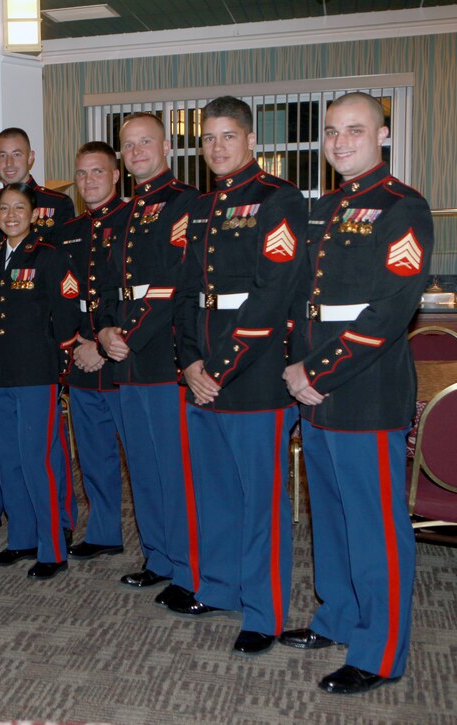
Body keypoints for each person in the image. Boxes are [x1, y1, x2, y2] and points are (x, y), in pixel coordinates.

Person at [279, 92, 433, 694]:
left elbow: (391, 310)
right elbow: (303, 299)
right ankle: (338, 617)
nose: (340, 142)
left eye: (355, 130)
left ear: (383, 135)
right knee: (334, 521)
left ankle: (380, 650)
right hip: (315, 395)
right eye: (332, 132)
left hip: (362, 394)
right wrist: (296, 366)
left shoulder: (404, 208)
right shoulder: (326, 208)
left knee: (376, 529)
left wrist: (315, 372)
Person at [174, 97, 305, 656]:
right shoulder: (200, 208)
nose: (218, 147)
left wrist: (219, 369)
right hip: (203, 376)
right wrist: (188, 363)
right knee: (216, 496)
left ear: (250, 140)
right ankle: (220, 588)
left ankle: (264, 611)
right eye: (208, 138)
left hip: (253, 379)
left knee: (261, 504)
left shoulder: (279, 199)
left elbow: (275, 295)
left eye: (228, 136)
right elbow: (184, 292)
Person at [96, 113, 200, 608]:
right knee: (141, 465)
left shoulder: (185, 204)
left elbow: (173, 280)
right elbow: (102, 288)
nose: (136, 152)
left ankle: (186, 565)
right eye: (128, 145)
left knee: (173, 468)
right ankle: (157, 556)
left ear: (165, 146)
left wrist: (128, 335)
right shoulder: (119, 215)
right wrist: (102, 329)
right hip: (125, 359)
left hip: (162, 357)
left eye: (145, 142)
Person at [0, 127, 78, 538]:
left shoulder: (57, 205)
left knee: (42, 452)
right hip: (0, 358)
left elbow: (64, 279)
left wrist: (63, 353)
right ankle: (19, 529)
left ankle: (57, 526)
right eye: (1, 155)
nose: (9, 162)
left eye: (17, 154)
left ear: (31, 157)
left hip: (37, 355)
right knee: (3, 451)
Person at [0, 183, 81, 580]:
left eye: (19, 208)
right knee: (7, 460)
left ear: (34, 214)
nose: (10, 215)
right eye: (4, 208)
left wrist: (61, 364)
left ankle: (52, 546)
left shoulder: (50, 257)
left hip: (37, 372)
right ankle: (21, 538)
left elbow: (66, 314)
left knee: (37, 459)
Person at [54, 142, 130, 561]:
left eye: (97, 172)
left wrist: (102, 345)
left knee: (139, 458)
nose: (88, 181)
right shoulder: (69, 231)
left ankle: (159, 547)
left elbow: (137, 296)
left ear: (116, 175)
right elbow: (63, 299)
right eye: (81, 174)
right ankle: (104, 532)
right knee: (94, 453)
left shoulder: (134, 220)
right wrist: (79, 344)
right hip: (82, 354)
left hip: (122, 355)